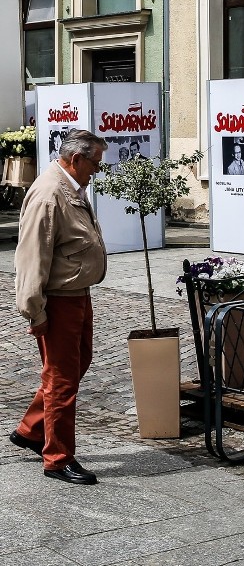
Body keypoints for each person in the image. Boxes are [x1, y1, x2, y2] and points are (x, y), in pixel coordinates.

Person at [10, 129, 108, 485]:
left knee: (78, 362)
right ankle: (57, 458)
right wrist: (35, 312)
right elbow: (32, 258)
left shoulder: (69, 186)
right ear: (76, 158)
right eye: (94, 162)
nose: (97, 169)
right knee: (61, 380)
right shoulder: (50, 193)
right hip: (59, 301)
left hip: (78, 294)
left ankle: (30, 430)